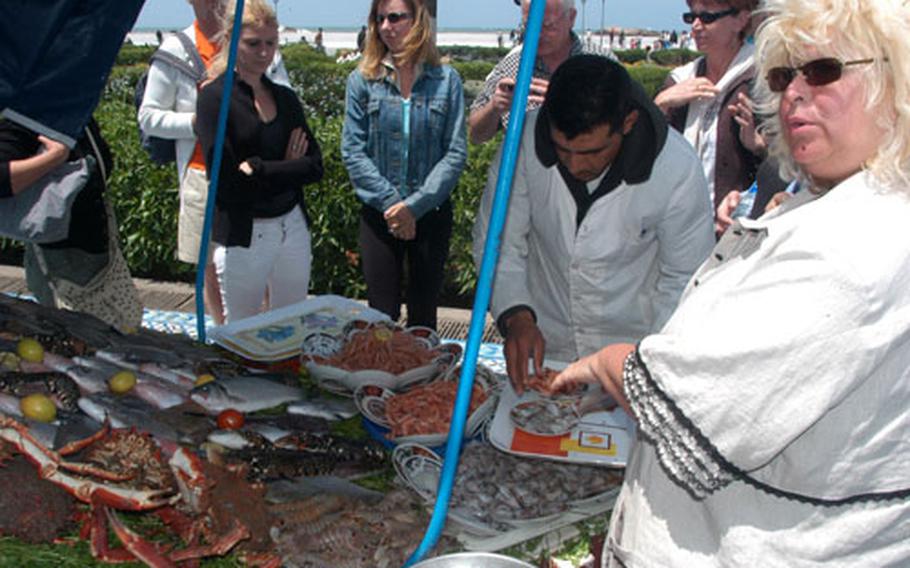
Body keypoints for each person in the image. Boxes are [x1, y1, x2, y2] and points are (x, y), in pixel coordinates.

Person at [551, 0, 910, 565]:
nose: (793, 93)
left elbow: (697, 398)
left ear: (897, 79)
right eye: (783, 75)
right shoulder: (832, 200)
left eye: (822, 71)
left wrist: (606, 362)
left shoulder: (864, 238)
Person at [473, 55, 714, 392]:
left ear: (627, 123)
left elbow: (685, 280)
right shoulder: (524, 141)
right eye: (562, 149)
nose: (574, 164)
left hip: (632, 355)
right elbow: (498, 240)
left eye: (591, 152)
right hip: (547, 343)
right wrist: (516, 315)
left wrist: (646, 368)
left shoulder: (677, 168)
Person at [137, 0, 289, 325]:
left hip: (254, 175)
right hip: (200, 176)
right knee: (210, 267)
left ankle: (261, 336)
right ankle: (224, 335)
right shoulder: (176, 51)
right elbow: (148, 117)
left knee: (260, 263)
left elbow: (286, 99)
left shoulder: (258, 42)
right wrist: (197, 121)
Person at [341, 0, 467, 330]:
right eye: (379, 19)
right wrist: (394, 205)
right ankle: (381, 381)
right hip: (379, 215)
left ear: (417, 21)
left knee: (424, 315)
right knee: (381, 317)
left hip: (431, 214)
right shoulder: (361, 81)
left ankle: (421, 381)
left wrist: (414, 207)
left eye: (395, 17)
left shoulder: (447, 80)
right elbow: (353, 150)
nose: (385, 26)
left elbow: (454, 153)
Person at [195, 0, 323, 323]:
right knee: (242, 330)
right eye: (253, 43)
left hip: (291, 225)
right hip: (245, 232)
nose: (264, 52)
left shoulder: (285, 97)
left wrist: (260, 167)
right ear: (232, 40)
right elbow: (225, 182)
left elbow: (314, 166)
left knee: (290, 325)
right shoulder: (214, 98)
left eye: (271, 43)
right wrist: (288, 166)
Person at [0, 118, 143, 333]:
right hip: (61, 258)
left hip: (92, 251)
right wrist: (53, 158)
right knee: (84, 338)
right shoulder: (28, 117)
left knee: (114, 331)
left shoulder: (75, 113)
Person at [654, 0, 763, 212]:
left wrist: (759, 147)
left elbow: (788, 167)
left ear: (741, 20)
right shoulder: (679, 80)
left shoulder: (763, 81)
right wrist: (659, 105)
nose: (695, 25)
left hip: (734, 224)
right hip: (678, 221)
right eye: (690, 17)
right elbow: (642, 150)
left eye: (707, 17)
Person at [467, 0, 615, 145]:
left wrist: (566, 106)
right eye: (529, 25)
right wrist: (494, 108)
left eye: (548, 25)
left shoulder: (602, 64)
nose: (537, 33)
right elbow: (476, 135)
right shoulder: (513, 65)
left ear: (571, 18)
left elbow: (623, 126)